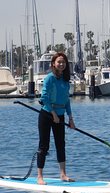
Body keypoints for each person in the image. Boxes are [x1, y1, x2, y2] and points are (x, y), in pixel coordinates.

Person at [37, 52, 75, 185]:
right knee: (44, 145)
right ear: (53, 63)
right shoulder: (49, 78)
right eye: (59, 62)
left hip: (60, 115)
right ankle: (40, 176)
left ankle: (63, 174)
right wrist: (53, 114)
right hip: (47, 114)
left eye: (63, 62)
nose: (61, 64)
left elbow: (67, 101)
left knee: (61, 144)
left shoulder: (65, 81)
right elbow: (44, 98)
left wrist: (70, 118)